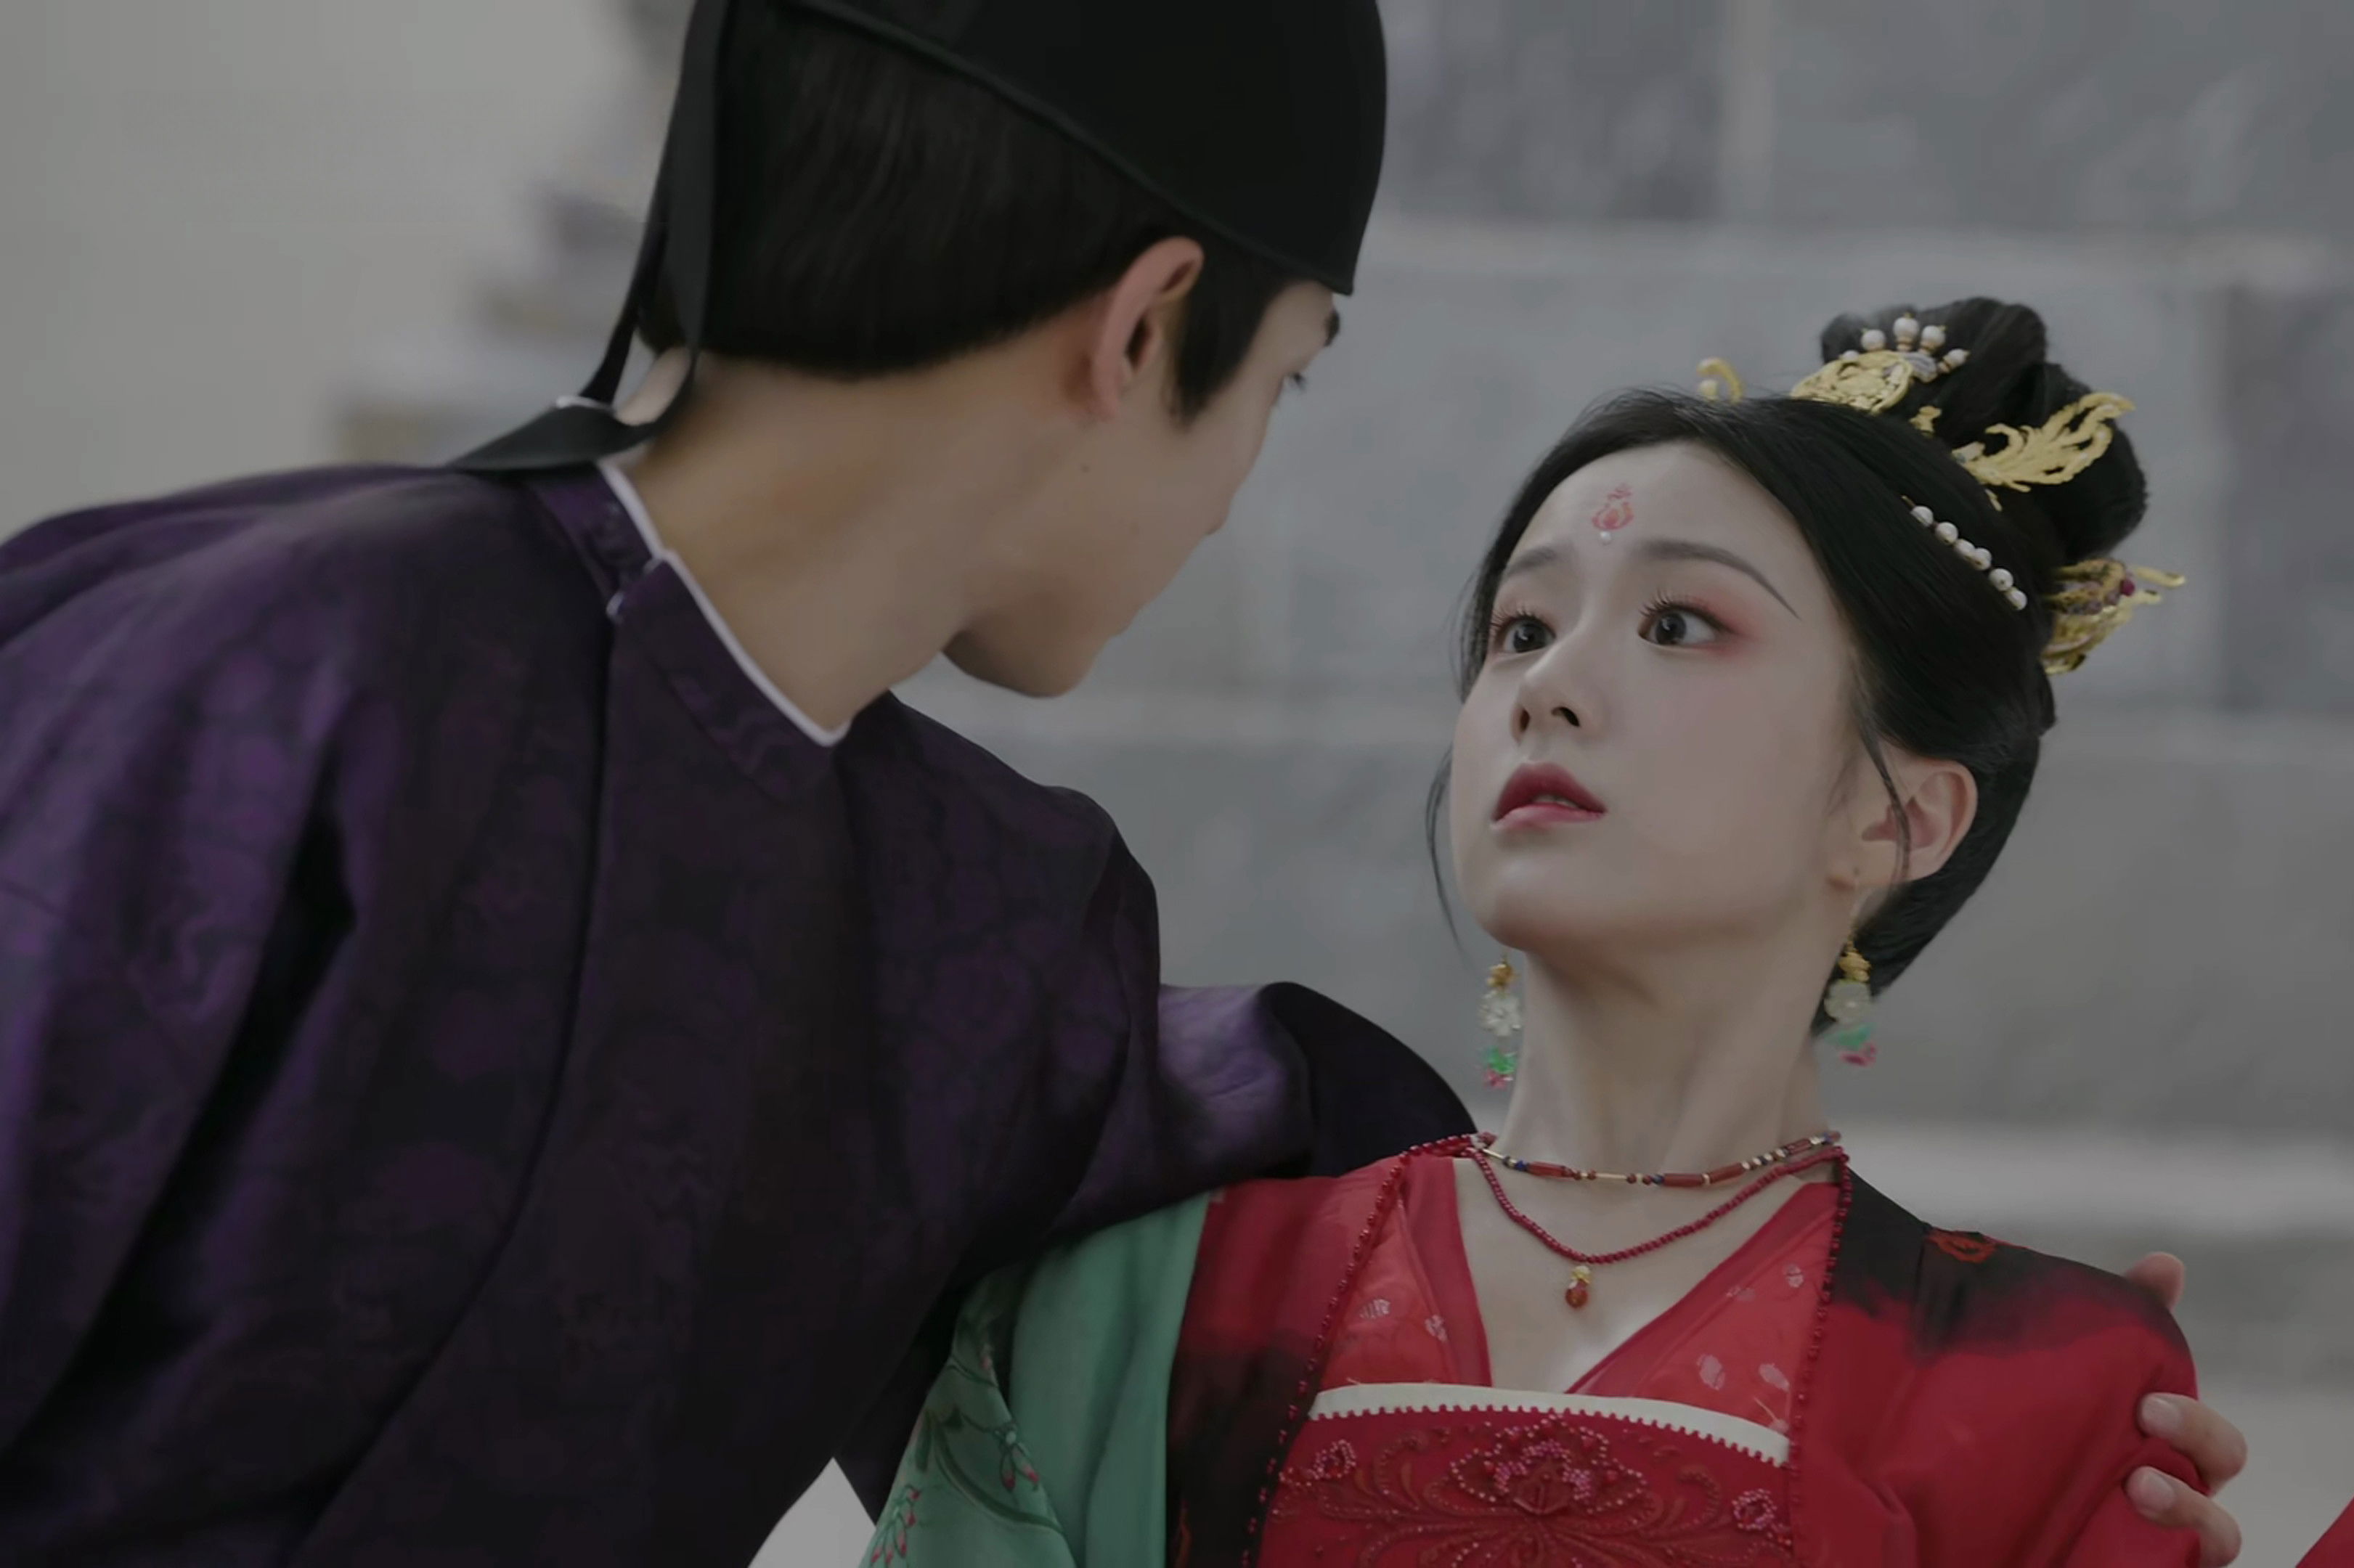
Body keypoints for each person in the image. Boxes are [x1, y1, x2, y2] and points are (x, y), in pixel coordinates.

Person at [866, 300, 2354, 1567]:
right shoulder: (1169, 1291)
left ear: (1896, 816)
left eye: (1681, 626)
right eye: (1520, 631)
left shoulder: (2039, 1380)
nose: (1549, 687)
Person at [0, 3, 1467, 1562]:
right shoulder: (251, 677)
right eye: (1284, 381)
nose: (1235, 494)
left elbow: (1332, 1201)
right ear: (1146, 328)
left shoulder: (996, 927)